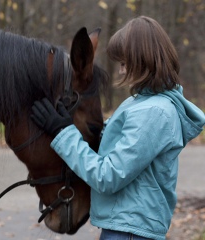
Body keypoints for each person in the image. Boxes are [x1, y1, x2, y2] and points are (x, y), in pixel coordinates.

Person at [30, 16, 205, 240]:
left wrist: (63, 134)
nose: (121, 71)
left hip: (131, 232)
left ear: (143, 59)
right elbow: (119, 145)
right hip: (125, 228)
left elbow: (108, 176)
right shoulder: (140, 104)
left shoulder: (154, 112)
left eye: (123, 63)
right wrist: (70, 124)